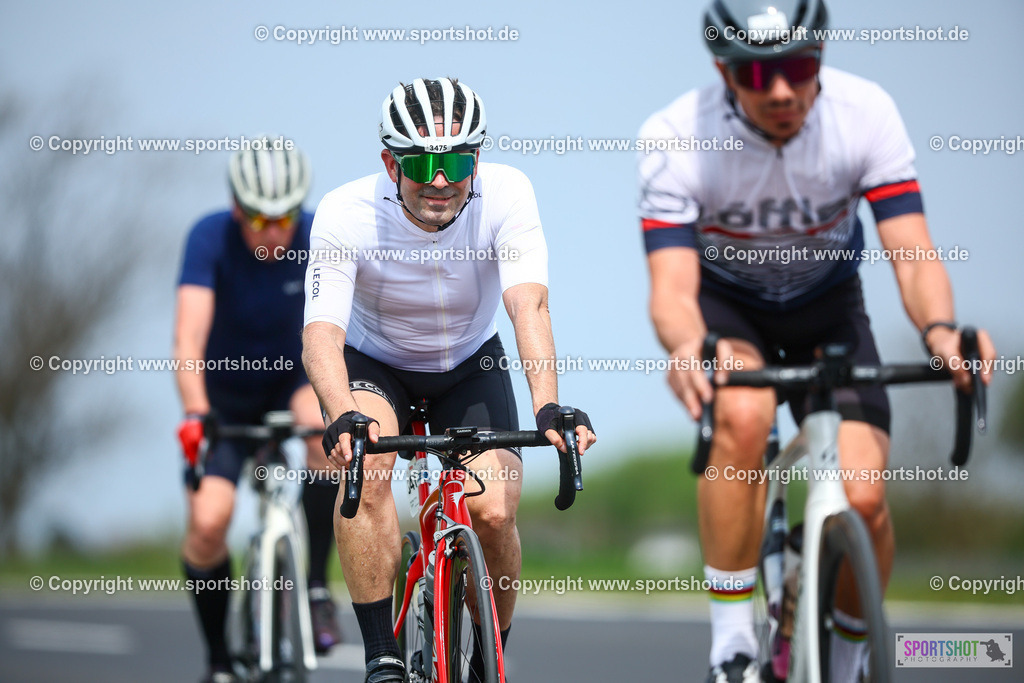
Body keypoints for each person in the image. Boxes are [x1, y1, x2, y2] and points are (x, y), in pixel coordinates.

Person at [637, 2, 995, 682]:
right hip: (730, 310)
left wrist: (941, 331)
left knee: (865, 501)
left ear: (821, 58)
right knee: (742, 417)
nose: (780, 90)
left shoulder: (866, 113)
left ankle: (850, 659)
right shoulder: (677, 134)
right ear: (724, 72)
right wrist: (689, 345)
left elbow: (912, 252)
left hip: (828, 310)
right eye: (757, 74)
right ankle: (732, 648)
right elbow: (672, 289)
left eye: (798, 68)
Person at [302, 77, 596, 683]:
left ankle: (489, 659)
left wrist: (548, 407)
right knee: (367, 467)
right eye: (421, 163)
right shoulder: (344, 211)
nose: (440, 180)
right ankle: (382, 656)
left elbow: (529, 305)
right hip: (376, 364)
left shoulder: (508, 193)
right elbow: (321, 336)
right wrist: (339, 411)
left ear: (476, 160)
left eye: (456, 162)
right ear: (391, 164)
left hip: (470, 362)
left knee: (494, 512)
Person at [174, 140, 343, 683]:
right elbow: (188, 338)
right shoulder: (208, 238)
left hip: (291, 381)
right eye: (257, 219)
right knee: (208, 522)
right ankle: (218, 660)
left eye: (284, 218)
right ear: (235, 207)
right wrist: (196, 411)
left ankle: (315, 586)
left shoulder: (319, 235)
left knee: (323, 434)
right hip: (223, 398)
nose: (272, 232)